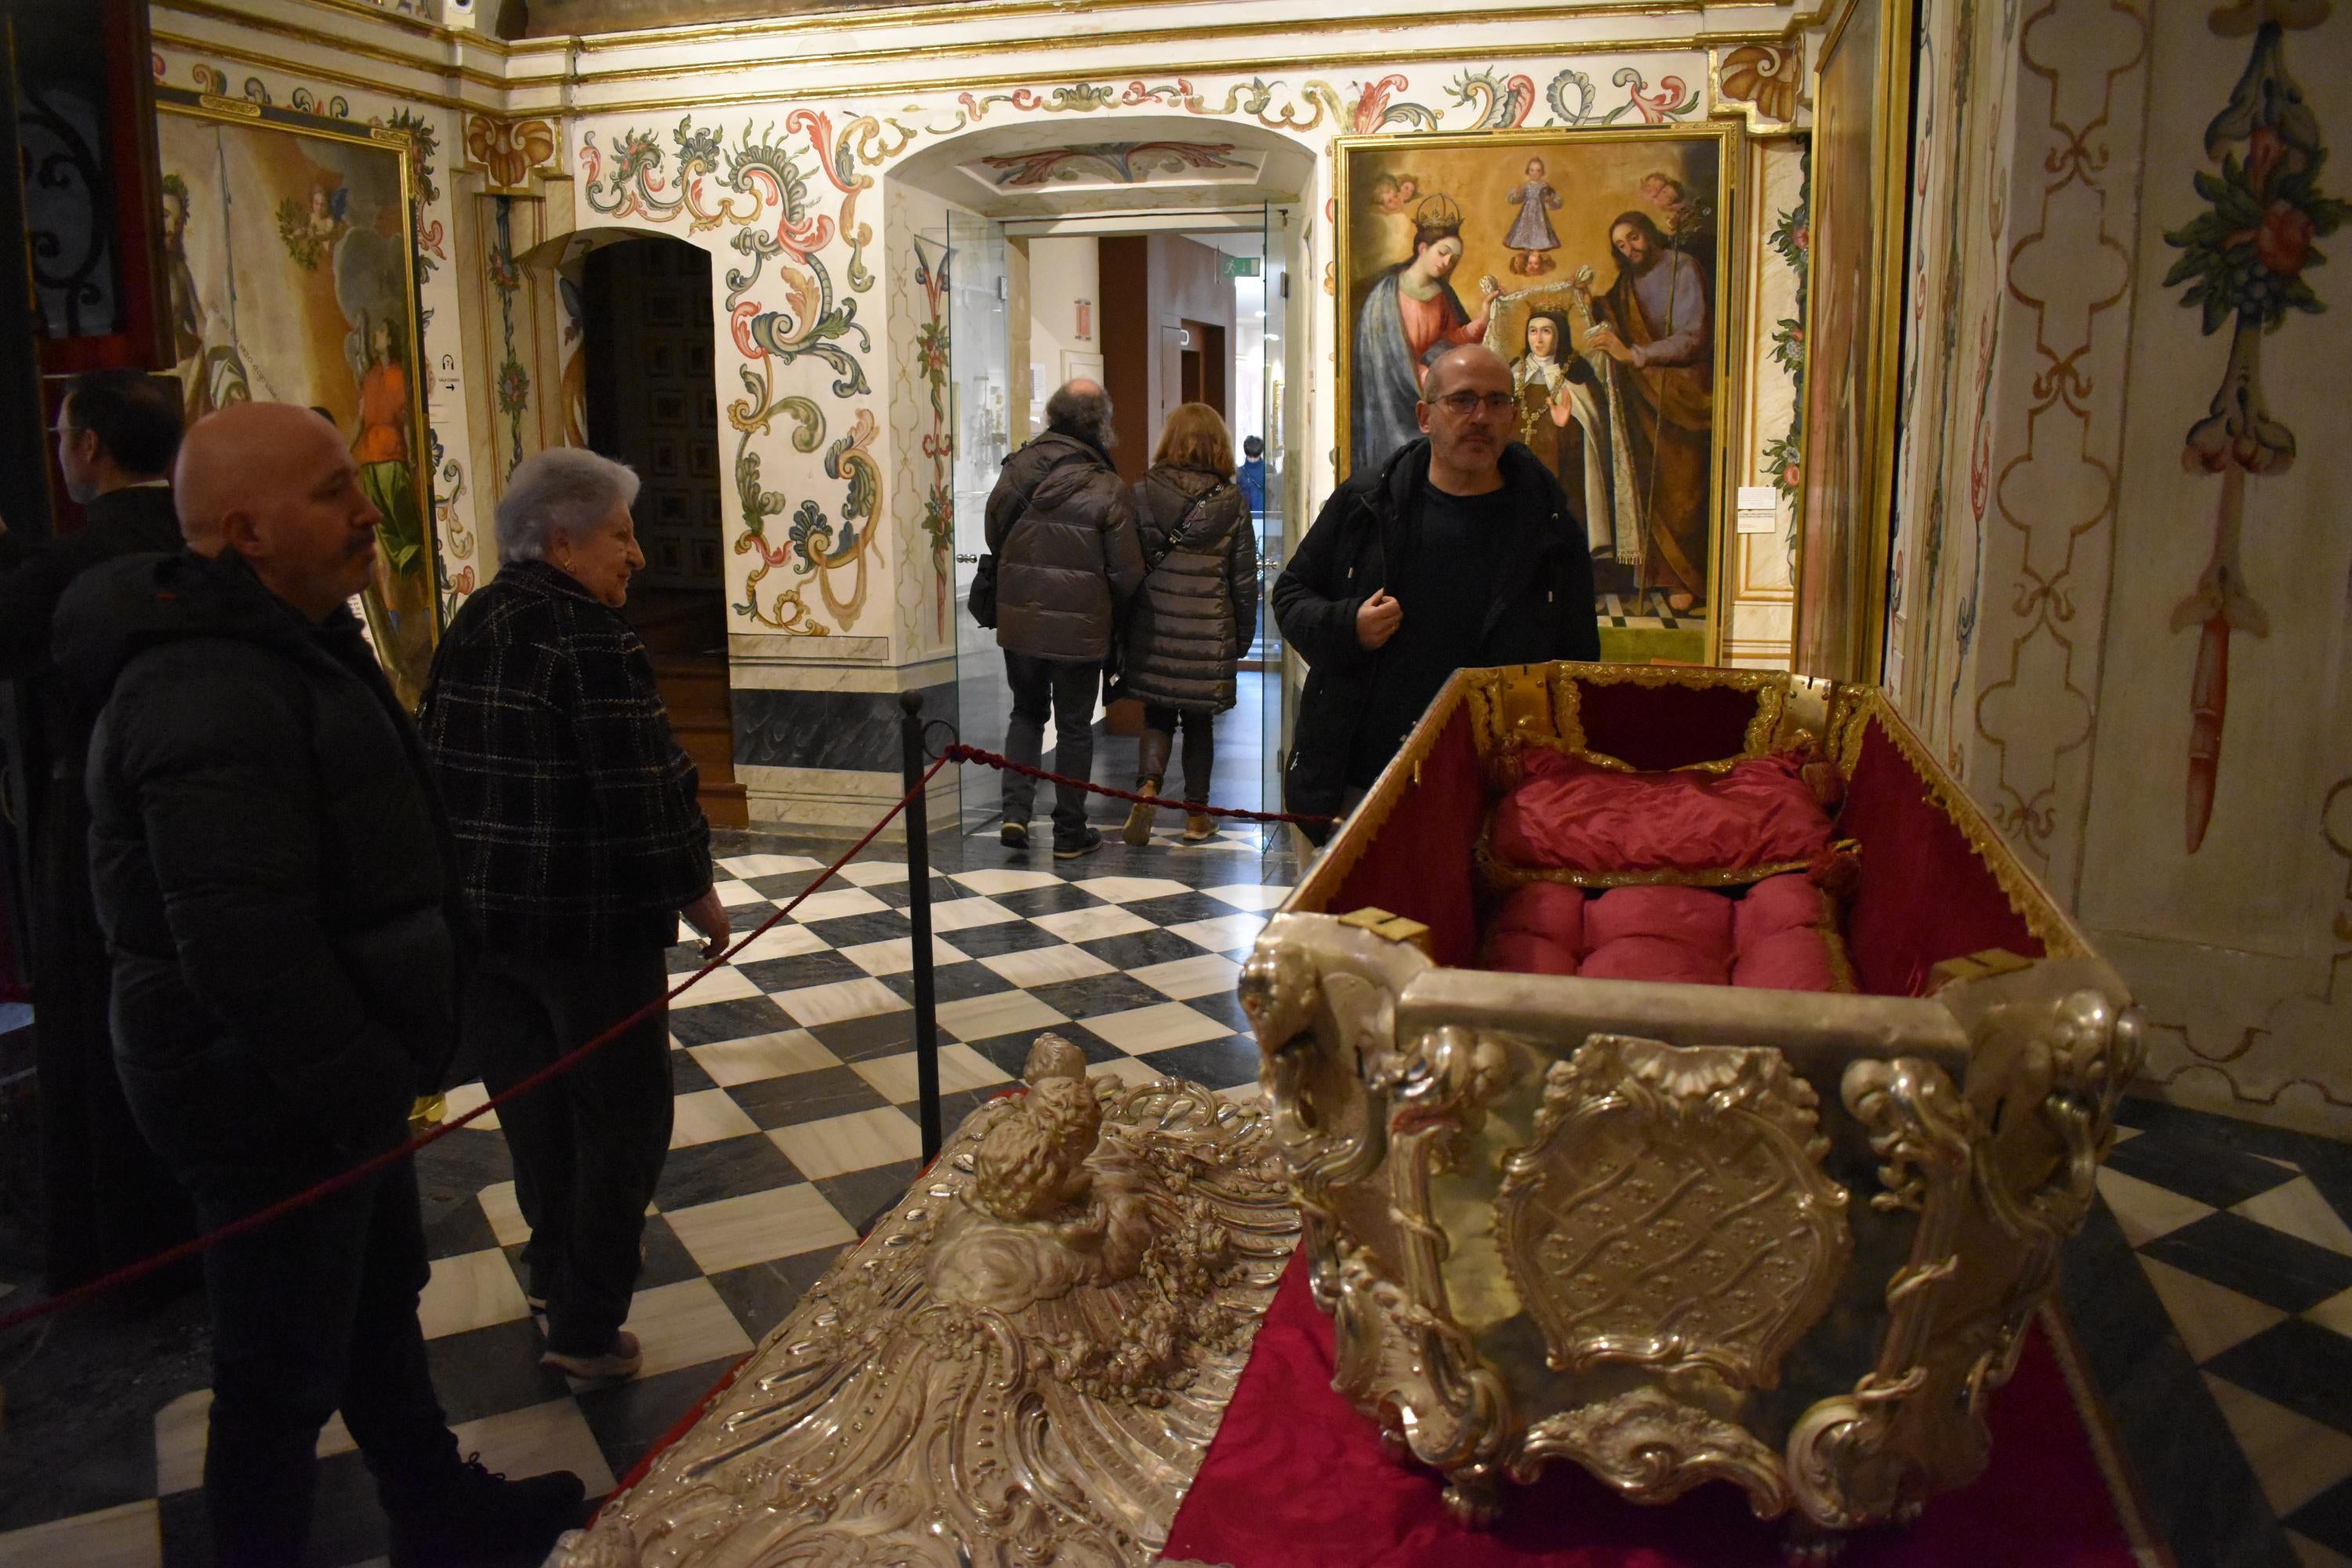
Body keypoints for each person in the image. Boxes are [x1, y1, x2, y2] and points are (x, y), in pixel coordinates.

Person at [55, 402, 587, 1566]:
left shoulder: (293, 640)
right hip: (261, 1093)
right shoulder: (204, 688)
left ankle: (433, 1505)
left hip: (321, 1082)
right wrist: (364, 1085)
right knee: (277, 1370)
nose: (367, 512)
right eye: (336, 492)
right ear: (246, 531)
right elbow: (244, 952)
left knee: (369, 1309)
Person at [419, 448, 726, 1383]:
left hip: (487, 927)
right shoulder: (592, 637)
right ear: (561, 541)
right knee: (624, 1119)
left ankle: (554, 1270)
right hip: (589, 931)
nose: (636, 557)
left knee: (535, 1111)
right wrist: (695, 889)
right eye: (621, 536)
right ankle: (588, 1324)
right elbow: (643, 786)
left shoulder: (476, 616)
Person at [0, 371, 198, 1292]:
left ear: (89, 448)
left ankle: (129, 1241)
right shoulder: (211, 544)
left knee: (105, 1019)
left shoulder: (69, 568)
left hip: (93, 818)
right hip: (206, 822)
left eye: (62, 434)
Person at [1275, 344, 1600, 836]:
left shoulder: (1550, 526)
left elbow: (1579, 661)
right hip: (1365, 781)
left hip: (1500, 791)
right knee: (1361, 916)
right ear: (1426, 416)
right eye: (1462, 401)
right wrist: (1349, 626)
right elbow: (1291, 594)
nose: (1482, 417)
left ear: (1513, 416)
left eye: (1497, 402)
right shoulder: (1366, 503)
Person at [985, 378, 1145, 859]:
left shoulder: (1017, 469)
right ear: (1101, 423)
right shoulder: (1106, 485)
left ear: (1054, 415)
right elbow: (1126, 571)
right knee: (1075, 727)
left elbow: (994, 530)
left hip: (1020, 621)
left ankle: (1015, 813)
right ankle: (1069, 833)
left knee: (1026, 713)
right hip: (1080, 627)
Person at [1117, 404, 1259, 846]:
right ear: (1220, 446)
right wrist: (1242, 636)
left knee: (1157, 713)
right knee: (1200, 723)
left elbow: (1127, 564)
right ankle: (1197, 818)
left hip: (1155, 626)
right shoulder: (1232, 501)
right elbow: (1243, 577)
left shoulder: (1141, 491)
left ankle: (1147, 788)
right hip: (1208, 629)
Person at [1577, 211, 1714, 613]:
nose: (1630, 249)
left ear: (1649, 232)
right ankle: (1661, 578)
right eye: (1620, 245)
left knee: (1682, 488)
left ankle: (1691, 578)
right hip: (1646, 394)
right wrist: (1592, 304)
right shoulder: (1630, 280)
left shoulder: (1684, 268)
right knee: (1648, 483)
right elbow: (1616, 315)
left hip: (1685, 392)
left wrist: (1635, 354)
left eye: (1633, 238)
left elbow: (1695, 336)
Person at [1350, 194, 1502, 473]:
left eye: (1453, 258)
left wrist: (1482, 319)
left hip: (1435, 398)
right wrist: (1422, 375)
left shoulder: (1443, 295)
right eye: (1442, 252)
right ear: (1423, 248)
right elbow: (1379, 363)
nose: (1447, 262)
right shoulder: (1385, 296)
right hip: (1391, 405)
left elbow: (1452, 341)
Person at [1236, 434, 1268, 518]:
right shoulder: (1239, 473)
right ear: (1246, 453)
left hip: (1267, 519)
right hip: (1245, 518)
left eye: (1256, 456)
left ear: (1260, 453)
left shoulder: (1269, 470)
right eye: (1250, 456)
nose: (1253, 459)